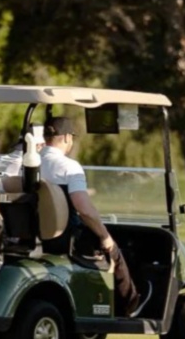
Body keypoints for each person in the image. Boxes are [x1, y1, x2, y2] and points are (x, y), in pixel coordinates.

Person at [39, 116, 150, 318]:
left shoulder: (28, 165)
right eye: (71, 137)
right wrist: (105, 235)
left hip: (37, 236)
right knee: (113, 248)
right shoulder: (69, 167)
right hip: (66, 238)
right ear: (65, 138)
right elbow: (84, 209)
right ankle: (130, 305)